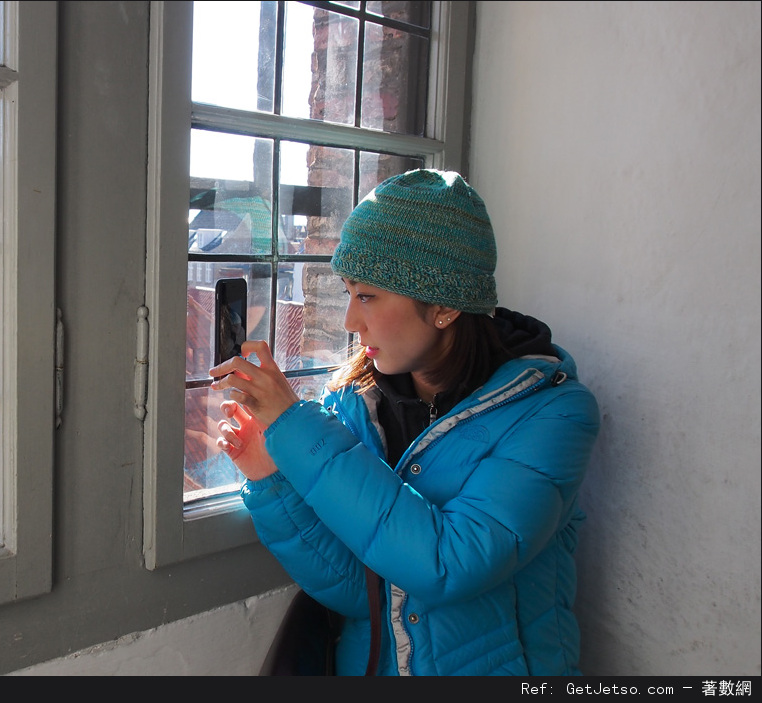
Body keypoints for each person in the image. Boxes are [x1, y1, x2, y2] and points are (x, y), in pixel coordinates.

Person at [210, 169, 600, 676]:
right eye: (348, 291)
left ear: (443, 306)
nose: (350, 320)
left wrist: (295, 423)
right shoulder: (355, 403)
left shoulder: (554, 413)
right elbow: (362, 593)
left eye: (368, 295)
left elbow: (448, 565)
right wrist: (269, 475)